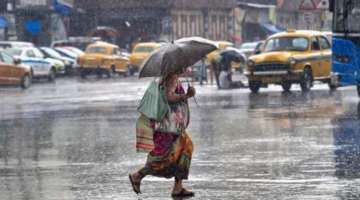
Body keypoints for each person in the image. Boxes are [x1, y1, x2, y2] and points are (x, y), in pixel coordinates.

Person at [129, 72, 196, 197]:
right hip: (168, 127)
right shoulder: (172, 76)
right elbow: (168, 97)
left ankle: (178, 187)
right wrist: (186, 95)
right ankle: (137, 175)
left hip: (172, 127)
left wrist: (187, 95)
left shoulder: (171, 76)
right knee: (165, 158)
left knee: (184, 149)